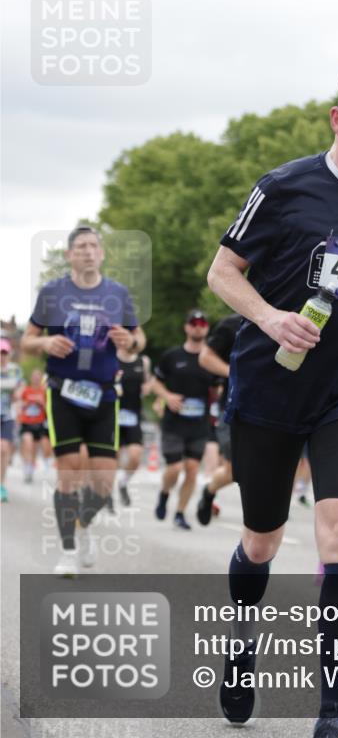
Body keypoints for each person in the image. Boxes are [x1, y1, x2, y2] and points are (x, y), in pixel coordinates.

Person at [207, 64, 338, 738]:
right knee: (262, 541)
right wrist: (269, 318)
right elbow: (221, 273)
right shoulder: (283, 187)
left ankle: (334, 713)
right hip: (270, 388)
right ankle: (241, 646)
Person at [21, 225, 145, 574]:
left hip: (105, 395)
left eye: (94, 246)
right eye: (81, 246)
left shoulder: (117, 294)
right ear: (70, 255)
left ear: (102, 253)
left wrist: (130, 343)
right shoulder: (52, 292)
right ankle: (68, 550)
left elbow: (139, 338)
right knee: (70, 471)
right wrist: (45, 344)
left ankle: (83, 525)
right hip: (63, 393)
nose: (88, 251)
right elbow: (27, 341)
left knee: (104, 485)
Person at [153, 309, 218, 529]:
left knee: (191, 469)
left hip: (199, 424)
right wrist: (167, 396)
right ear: (187, 327)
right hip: (174, 423)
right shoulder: (172, 356)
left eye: (202, 323)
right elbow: (155, 383)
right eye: (194, 323)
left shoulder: (211, 359)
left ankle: (180, 513)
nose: (198, 326)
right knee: (174, 468)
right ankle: (164, 493)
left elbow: (218, 387)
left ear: (207, 328)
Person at [196, 313, 243, 526]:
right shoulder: (233, 323)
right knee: (238, 468)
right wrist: (234, 373)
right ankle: (209, 491)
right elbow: (205, 357)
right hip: (235, 408)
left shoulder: (294, 315)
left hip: (278, 409)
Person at [115, 347, 152, 506]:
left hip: (133, 416)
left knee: (136, 456)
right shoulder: (111, 358)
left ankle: (123, 483)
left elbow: (146, 386)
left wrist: (148, 387)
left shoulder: (143, 361)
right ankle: (105, 492)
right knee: (111, 458)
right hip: (111, 414)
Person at [18, 368, 52, 482]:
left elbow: (49, 408)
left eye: (38, 376)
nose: (36, 378)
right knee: (28, 443)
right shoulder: (26, 390)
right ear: (31, 378)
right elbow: (19, 404)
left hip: (39, 423)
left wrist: (41, 402)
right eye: (34, 376)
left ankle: (30, 468)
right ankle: (27, 466)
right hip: (27, 422)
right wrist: (26, 403)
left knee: (34, 448)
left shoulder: (44, 391)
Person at [1, 339, 24, 501]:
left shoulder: (15, 371)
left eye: (4, 353)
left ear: (9, 354)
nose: (2, 356)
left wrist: (17, 394)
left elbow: (19, 391)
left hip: (7, 415)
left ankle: (1, 485)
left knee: (3, 450)